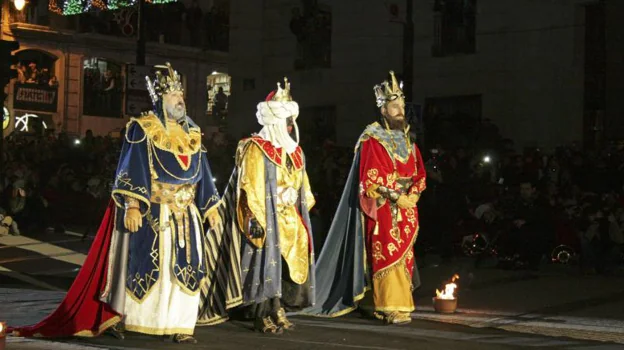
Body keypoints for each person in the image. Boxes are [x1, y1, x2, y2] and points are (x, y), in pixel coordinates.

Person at [9, 63, 232, 344]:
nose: (180, 101)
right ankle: (140, 320)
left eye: (182, 96)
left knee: (186, 269)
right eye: (174, 96)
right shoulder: (143, 130)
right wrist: (133, 205)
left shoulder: (194, 134)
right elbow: (132, 168)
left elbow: (204, 174)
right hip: (155, 212)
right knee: (151, 266)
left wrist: (210, 206)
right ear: (161, 99)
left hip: (186, 216)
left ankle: (179, 323)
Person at [306, 71, 426, 325]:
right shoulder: (373, 138)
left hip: (408, 208)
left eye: (402, 105)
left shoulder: (408, 139)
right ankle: (388, 306)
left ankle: (401, 304)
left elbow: (419, 172)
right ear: (383, 110)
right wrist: (397, 197)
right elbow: (371, 178)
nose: (400, 110)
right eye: (395, 106)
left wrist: (413, 194)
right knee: (387, 255)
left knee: (405, 257)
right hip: (385, 207)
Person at [219, 78, 316, 333]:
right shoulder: (255, 148)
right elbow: (249, 186)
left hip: (289, 217)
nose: (290, 125)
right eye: (286, 121)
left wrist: (293, 199)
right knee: (265, 263)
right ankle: (261, 312)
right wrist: (256, 218)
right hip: (266, 216)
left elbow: (303, 187)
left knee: (285, 264)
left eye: (291, 120)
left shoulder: (296, 152)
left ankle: (278, 307)